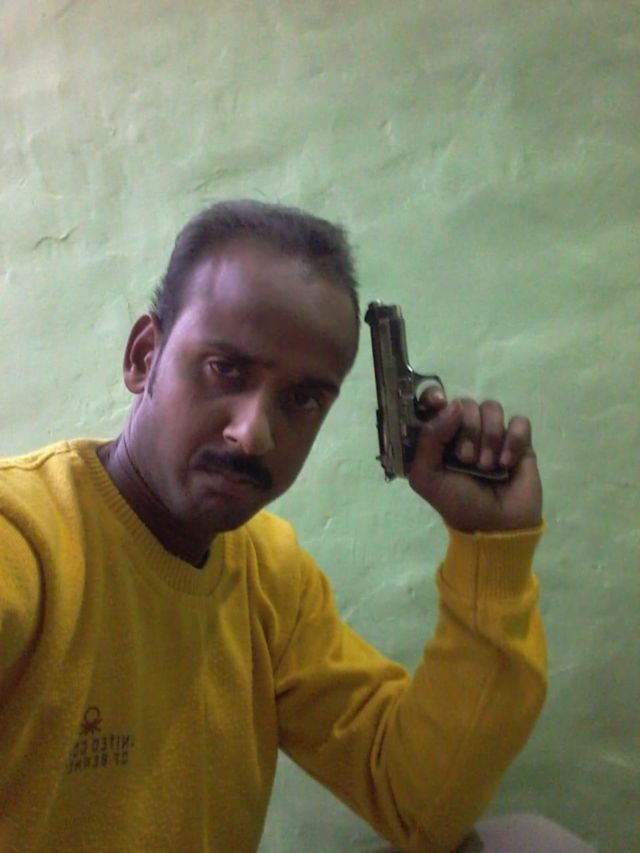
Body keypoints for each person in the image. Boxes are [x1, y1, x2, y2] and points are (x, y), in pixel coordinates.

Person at [0, 199, 563, 852]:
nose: (254, 433)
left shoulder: (269, 575)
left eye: (302, 398)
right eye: (226, 369)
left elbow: (414, 798)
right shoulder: (24, 542)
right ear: (144, 356)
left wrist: (490, 551)